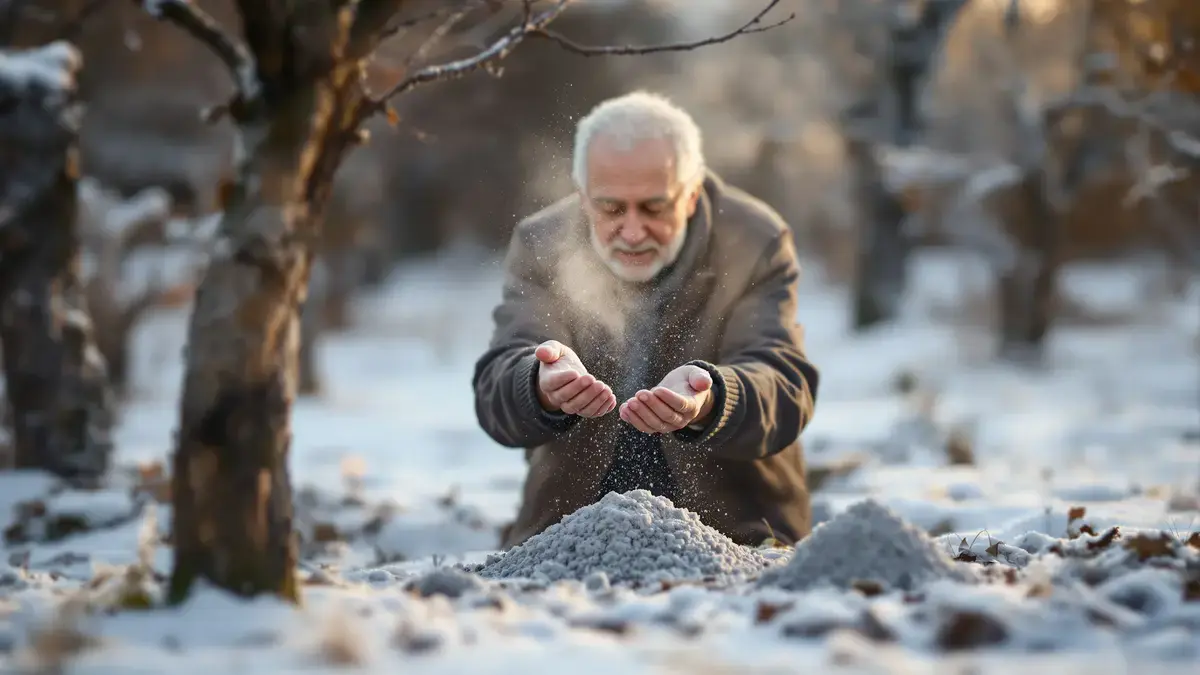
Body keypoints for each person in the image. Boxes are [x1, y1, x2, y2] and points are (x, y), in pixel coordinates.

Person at [472, 90, 820, 549]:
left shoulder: (754, 239)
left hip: (740, 537)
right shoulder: (542, 241)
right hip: (567, 537)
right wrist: (539, 386)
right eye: (611, 208)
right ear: (582, 196)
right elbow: (498, 389)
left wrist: (713, 399)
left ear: (692, 195)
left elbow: (782, 384)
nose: (633, 232)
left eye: (655, 208)